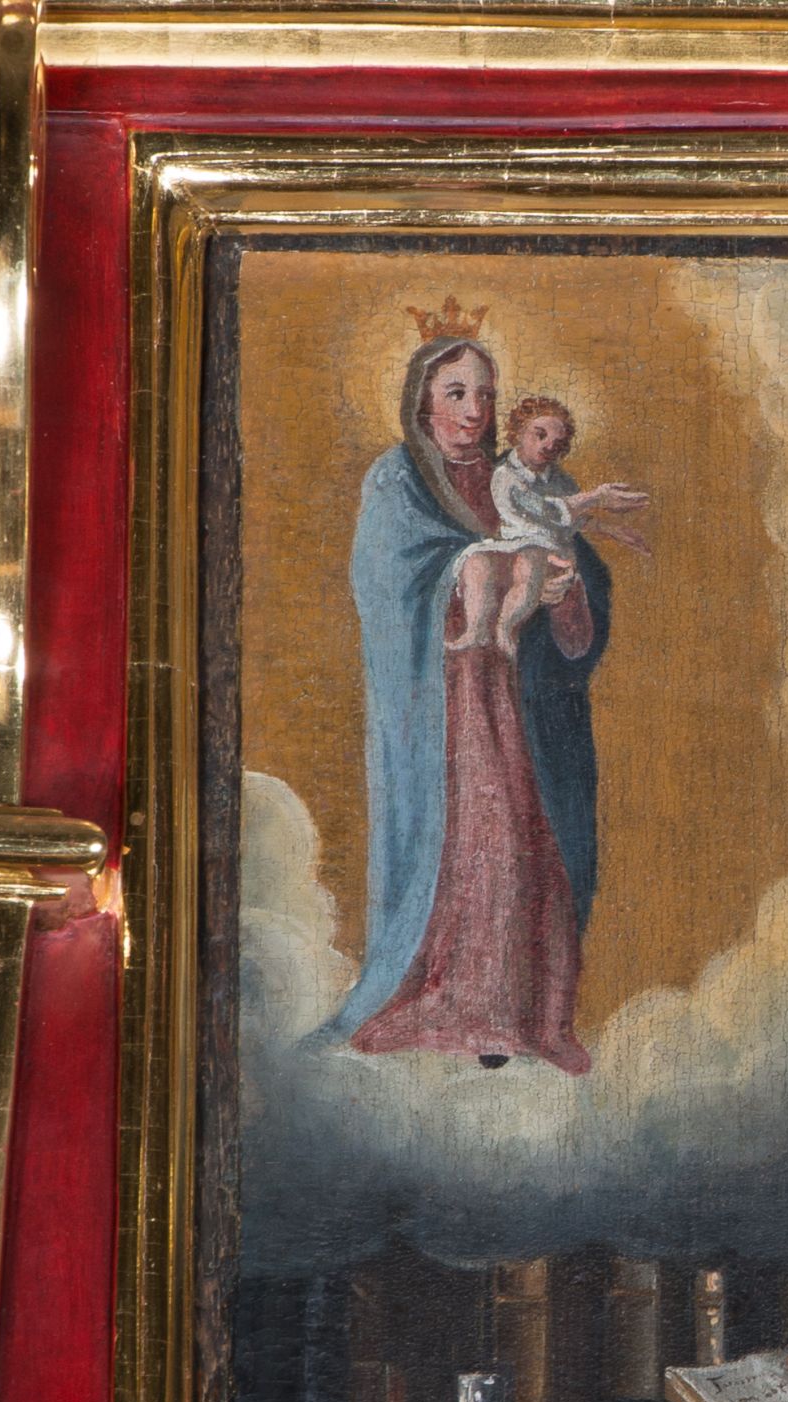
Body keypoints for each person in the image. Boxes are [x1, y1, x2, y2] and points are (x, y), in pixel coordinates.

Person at [324, 336, 616, 1075]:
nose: (473, 409)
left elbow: (576, 608)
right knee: (477, 844)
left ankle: (533, 1016)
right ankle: (461, 1010)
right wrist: (465, 570)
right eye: (455, 392)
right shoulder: (399, 480)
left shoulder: (524, 478)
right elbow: (385, 586)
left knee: (531, 847)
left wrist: (563, 587)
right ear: (422, 399)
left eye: (484, 394)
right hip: (446, 708)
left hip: (525, 708)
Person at [448, 395, 652, 657]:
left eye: (556, 444)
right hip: (511, 544)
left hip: (544, 549)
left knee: (530, 561)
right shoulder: (505, 476)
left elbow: (570, 520)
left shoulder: (561, 481)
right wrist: (594, 497)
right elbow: (546, 510)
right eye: (540, 435)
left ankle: (505, 628)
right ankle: (475, 631)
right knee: (477, 562)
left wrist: (610, 529)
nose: (547, 446)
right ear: (518, 433)